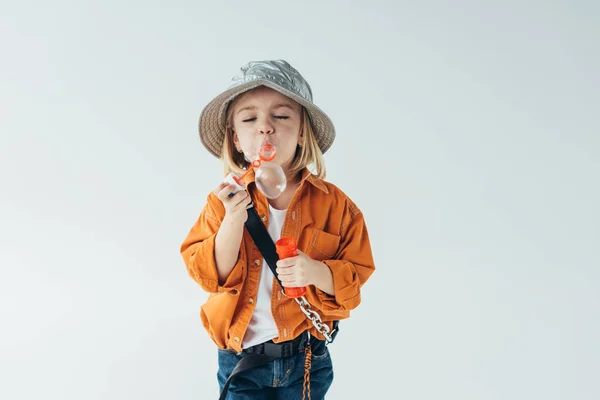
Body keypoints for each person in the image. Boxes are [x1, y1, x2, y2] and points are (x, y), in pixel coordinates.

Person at [180, 60, 375, 399]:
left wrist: (315, 271)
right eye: (249, 118)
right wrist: (231, 221)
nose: (265, 128)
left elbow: (354, 280)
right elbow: (209, 275)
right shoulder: (223, 201)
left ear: (302, 132)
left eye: (281, 116)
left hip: (307, 360)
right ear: (236, 139)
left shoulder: (337, 205)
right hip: (242, 362)